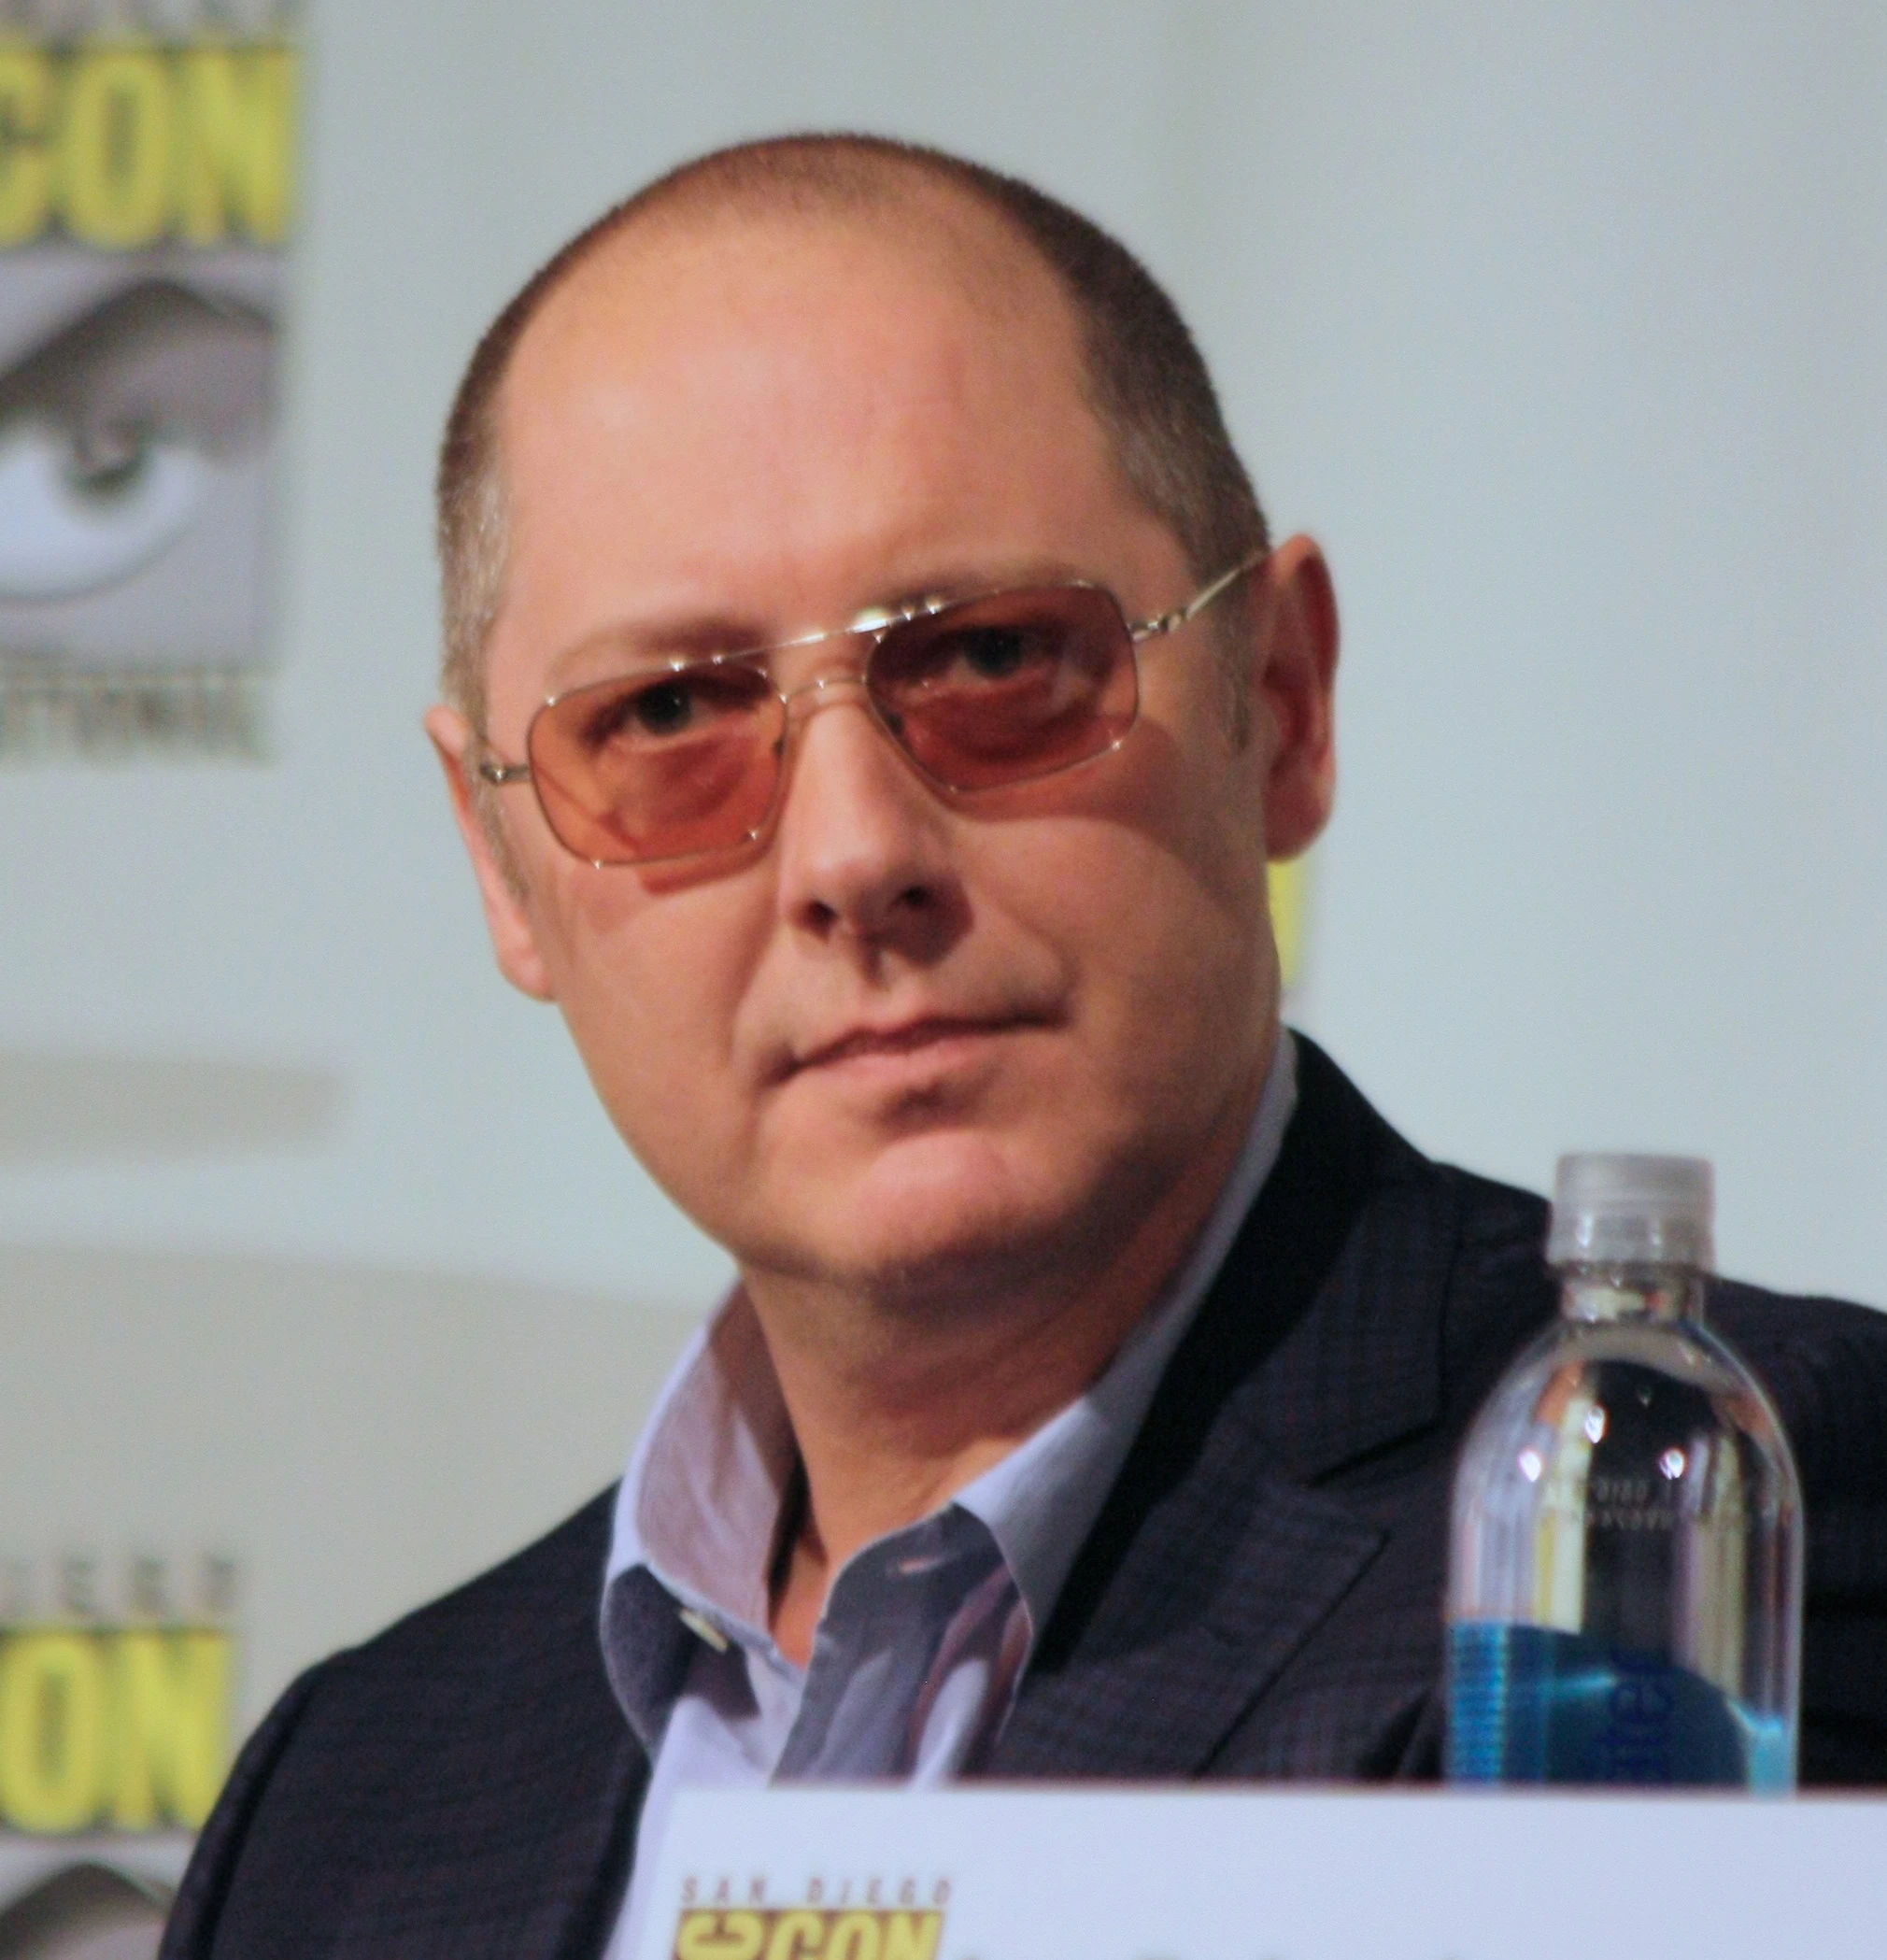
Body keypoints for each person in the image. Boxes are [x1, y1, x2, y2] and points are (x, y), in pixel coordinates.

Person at [161, 135, 1887, 1960]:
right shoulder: (351, 1802)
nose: (853, 856)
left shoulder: (1695, 1517)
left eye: (991, 659)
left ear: (1281, 703)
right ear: (501, 857)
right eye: (667, 713)